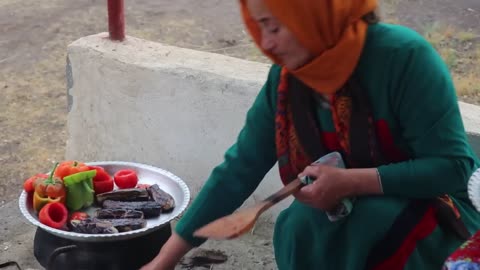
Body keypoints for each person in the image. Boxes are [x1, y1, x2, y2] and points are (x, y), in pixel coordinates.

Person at [141, 0, 480, 269]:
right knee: (298, 225)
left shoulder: (404, 59)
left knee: (366, 222)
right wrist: (164, 261)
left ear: (314, 12)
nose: (266, 43)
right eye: (259, 27)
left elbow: (451, 168)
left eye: (274, 26)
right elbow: (238, 170)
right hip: (347, 211)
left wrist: (351, 181)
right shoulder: (288, 80)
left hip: (437, 212)